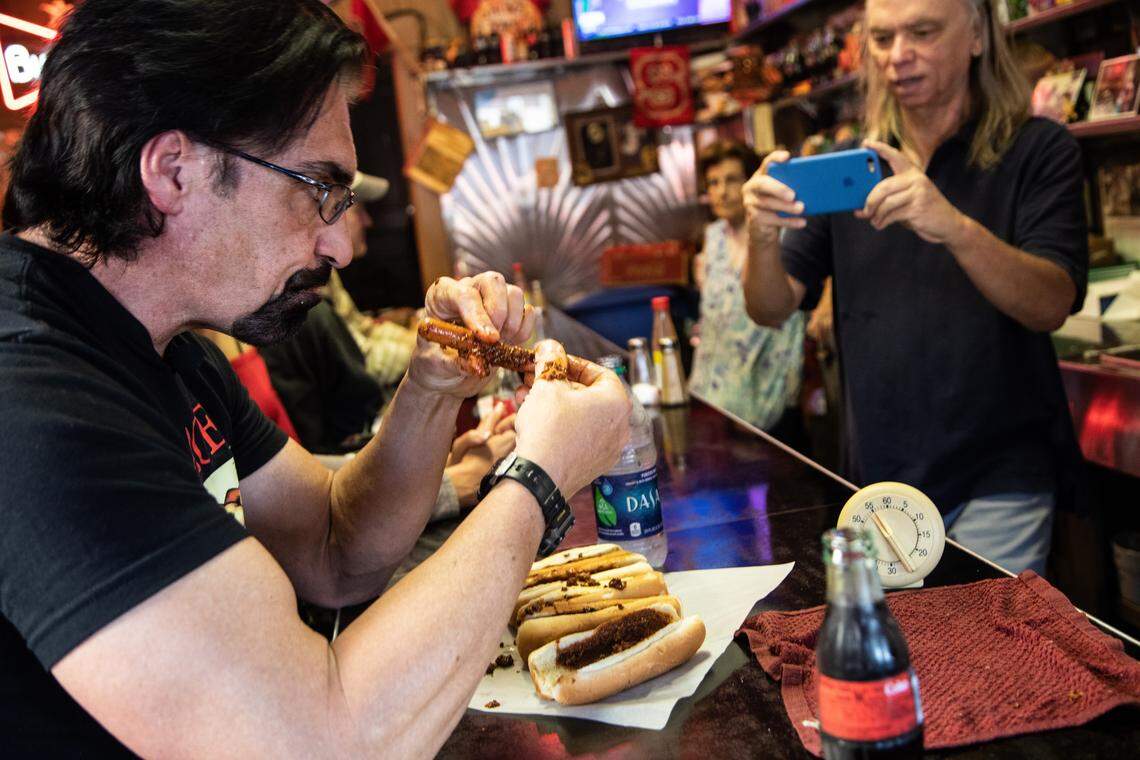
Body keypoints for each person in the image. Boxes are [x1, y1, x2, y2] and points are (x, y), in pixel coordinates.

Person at [0, 2, 629, 756]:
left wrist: (430, 389)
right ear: (172, 170)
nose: (340, 243)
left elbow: (334, 547)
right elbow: (322, 742)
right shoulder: (34, 400)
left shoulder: (163, 347)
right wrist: (542, 477)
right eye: (318, 186)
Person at [740, 0, 1087, 575]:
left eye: (923, 32)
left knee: (989, 652)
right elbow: (771, 307)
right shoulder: (850, 165)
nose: (898, 55)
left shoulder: (1038, 149)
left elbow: (1052, 302)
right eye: (881, 39)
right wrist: (759, 238)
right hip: (880, 478)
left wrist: (952, 227)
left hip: (1000, 474)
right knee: (909, 654)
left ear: (976, 35)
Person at [689, 140, 805, 442]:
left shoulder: (784, 236)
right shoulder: (711, 238)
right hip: (715, 396)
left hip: (769, 394)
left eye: (731, 180)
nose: (721, 191)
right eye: (713, 183)